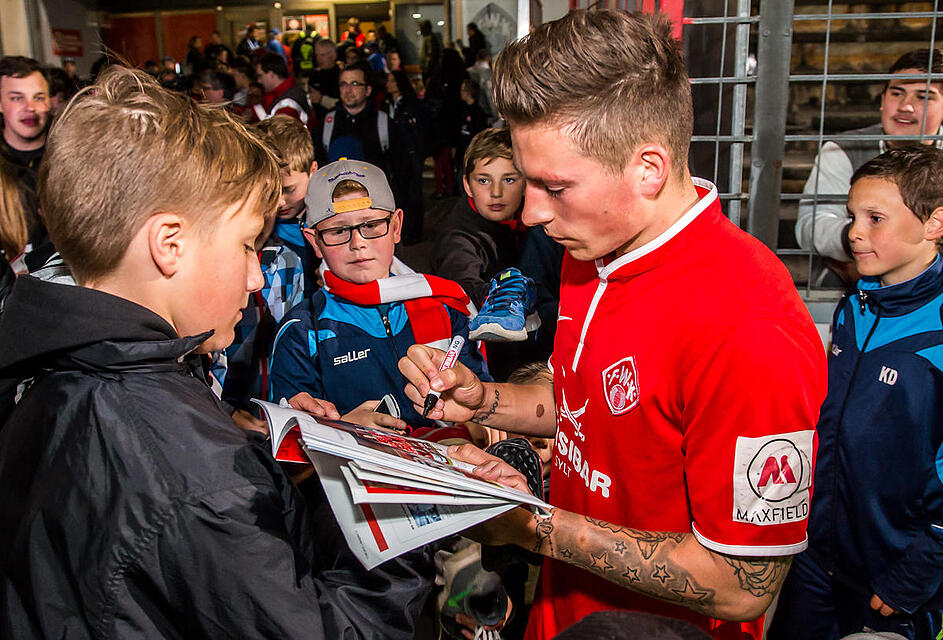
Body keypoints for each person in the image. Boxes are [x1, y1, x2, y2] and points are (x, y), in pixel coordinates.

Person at [398, 11, 827, 639]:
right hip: (564, 612)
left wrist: (530, 527)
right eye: (526, 180)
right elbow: (590, 404)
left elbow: (742, 587)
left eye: (554, 185)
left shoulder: (747, 328)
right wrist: (485, 400)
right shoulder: (594, 246)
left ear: (647, 169)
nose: (533, 211)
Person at [0, 64, 383, 639]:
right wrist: (396, 521)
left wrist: (261, 452)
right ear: (169, 245)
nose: (257, 277)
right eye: (247, 245)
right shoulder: (196, 477)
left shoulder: (48, 362)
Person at [768, 146, 943, 640]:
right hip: (816, 559)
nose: (854, 233)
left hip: (891, 580)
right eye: (852, 216)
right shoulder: (854, 309)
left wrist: (915, 575)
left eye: (875, 218)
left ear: (934, 224)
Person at [269, 158, 490, 435]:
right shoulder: (301, 332)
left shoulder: (445, 305)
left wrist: (467, 428)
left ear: (396, 226)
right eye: (338, 231)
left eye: (372, 225)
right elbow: (287, 444)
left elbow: (483, 410)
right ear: (315, 241)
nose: (357, 243)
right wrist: (344, 430)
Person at [796, 49, 943, 286]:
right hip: (850, 279)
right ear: (883, 100)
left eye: (923, 96)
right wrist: (859, 241)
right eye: (897, 93)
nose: (906, 106)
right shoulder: (842, 149)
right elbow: (810, 225)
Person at [315, 63, 399, 180]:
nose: (348, 90)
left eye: (355, 84)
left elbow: (400, 168)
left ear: (368, 90)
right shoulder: (327, 123)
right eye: (343, 84)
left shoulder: (383, 123)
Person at [252, 52, 312, 125]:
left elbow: (281, 134)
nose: (259, 81)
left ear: (271, 74)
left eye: (260, 76)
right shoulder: (291, 91)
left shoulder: (287, 105)